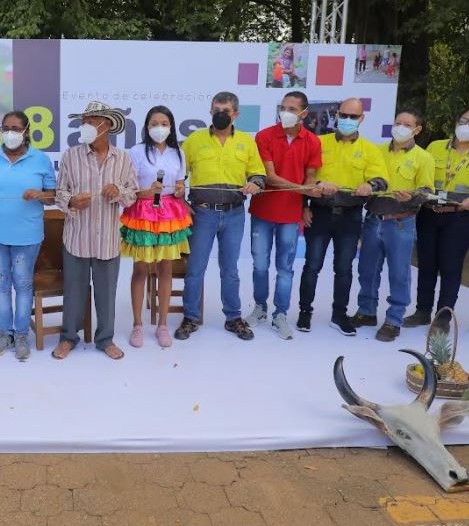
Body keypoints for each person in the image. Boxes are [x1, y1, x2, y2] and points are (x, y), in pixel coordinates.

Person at [177, 92, 267, 341]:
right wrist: (181, 202)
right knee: (195, 269)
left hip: (234, 214)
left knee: (230, 270)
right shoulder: (194, 140)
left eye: (225, 110)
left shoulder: (247, 142)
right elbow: (178, 176)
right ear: (210, 111)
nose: (220, 114)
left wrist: (255, 183)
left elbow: (258, 172)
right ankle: (190, 318)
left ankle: (233, 318)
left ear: (235, 114)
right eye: (216, 109)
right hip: (202, 213)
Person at [53, 101, 138, 360]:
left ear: (107, 125)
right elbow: (59, 193)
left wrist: (118, 192)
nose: (86, 126)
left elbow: (132, 194)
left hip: (108, 240)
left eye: (92, 121)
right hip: (77, 237)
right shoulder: (70, 156)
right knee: (74, 292)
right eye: (84, 121)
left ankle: (105, 339)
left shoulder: (122, 158)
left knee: (106, 293)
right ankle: (68, 338)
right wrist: (70, 201)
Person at [0, 111, 56, 361]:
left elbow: (52, 196)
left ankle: (21, 336)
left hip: (27, 235)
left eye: (15, 128)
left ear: (27, 130)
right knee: (0, 285)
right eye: (5, 128)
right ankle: (5, 333)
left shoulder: (39, 159)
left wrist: (40, 195)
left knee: (23, 283)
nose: (10, 133)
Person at [298, 97, 388, 335]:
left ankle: (339, 315)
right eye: (344, 115)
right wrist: (304, 205)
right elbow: (304, 178)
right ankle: (304, 313)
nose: (348, 120)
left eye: (353, 117)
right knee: (312, 266)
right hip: (319, 213)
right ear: (337, 115)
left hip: (350, 217)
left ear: (362, 119)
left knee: (344, 268)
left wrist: (370, 185)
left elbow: (381, 179)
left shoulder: (370, 149)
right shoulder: (318, 143)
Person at [405, 106, 469, 329]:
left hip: (460, 219)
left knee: (451, 268)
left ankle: (443, 317)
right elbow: (421, 178)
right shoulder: (435, 147)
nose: (467, 126)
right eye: (463, 120)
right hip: (429, 214)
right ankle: (422, 311)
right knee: (426, 265)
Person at [352, 109, 434, 342]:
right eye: (397, 123)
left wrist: (413, 196)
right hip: (373, 219)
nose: (400, 128)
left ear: (417, 129)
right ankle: (366, 311)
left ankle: (394, 320)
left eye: (407, 124)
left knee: (399, 273)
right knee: (367, 270)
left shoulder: (423, 158)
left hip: (401, 223)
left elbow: (428, 191)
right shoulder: (376, 151)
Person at [246, 92, 322, 340]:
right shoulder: (265, 136)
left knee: (285, 268)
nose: (285, 112)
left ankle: (280, 315)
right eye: (283, 107)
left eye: (291, 108)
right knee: (259, 264)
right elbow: (269, 177)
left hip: (291, 214)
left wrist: (306, 199)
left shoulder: (312, 141)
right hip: (263, 211)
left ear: (304, 113)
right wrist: (303, 189)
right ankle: (260, 308)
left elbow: (310, 177)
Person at [121, 106, 191, 348]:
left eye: (163, 123)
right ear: (146, 127)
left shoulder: (178, 153)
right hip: (142, 213)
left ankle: (162, 325)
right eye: (153, 123)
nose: (158, 128)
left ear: (171, 126)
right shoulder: (136, 152)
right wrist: (147, 192)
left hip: (170, 214)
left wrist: (180, 190)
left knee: (166, 270)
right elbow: (128, 189)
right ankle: (137, 325)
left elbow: (180, 185)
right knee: (140, 269)